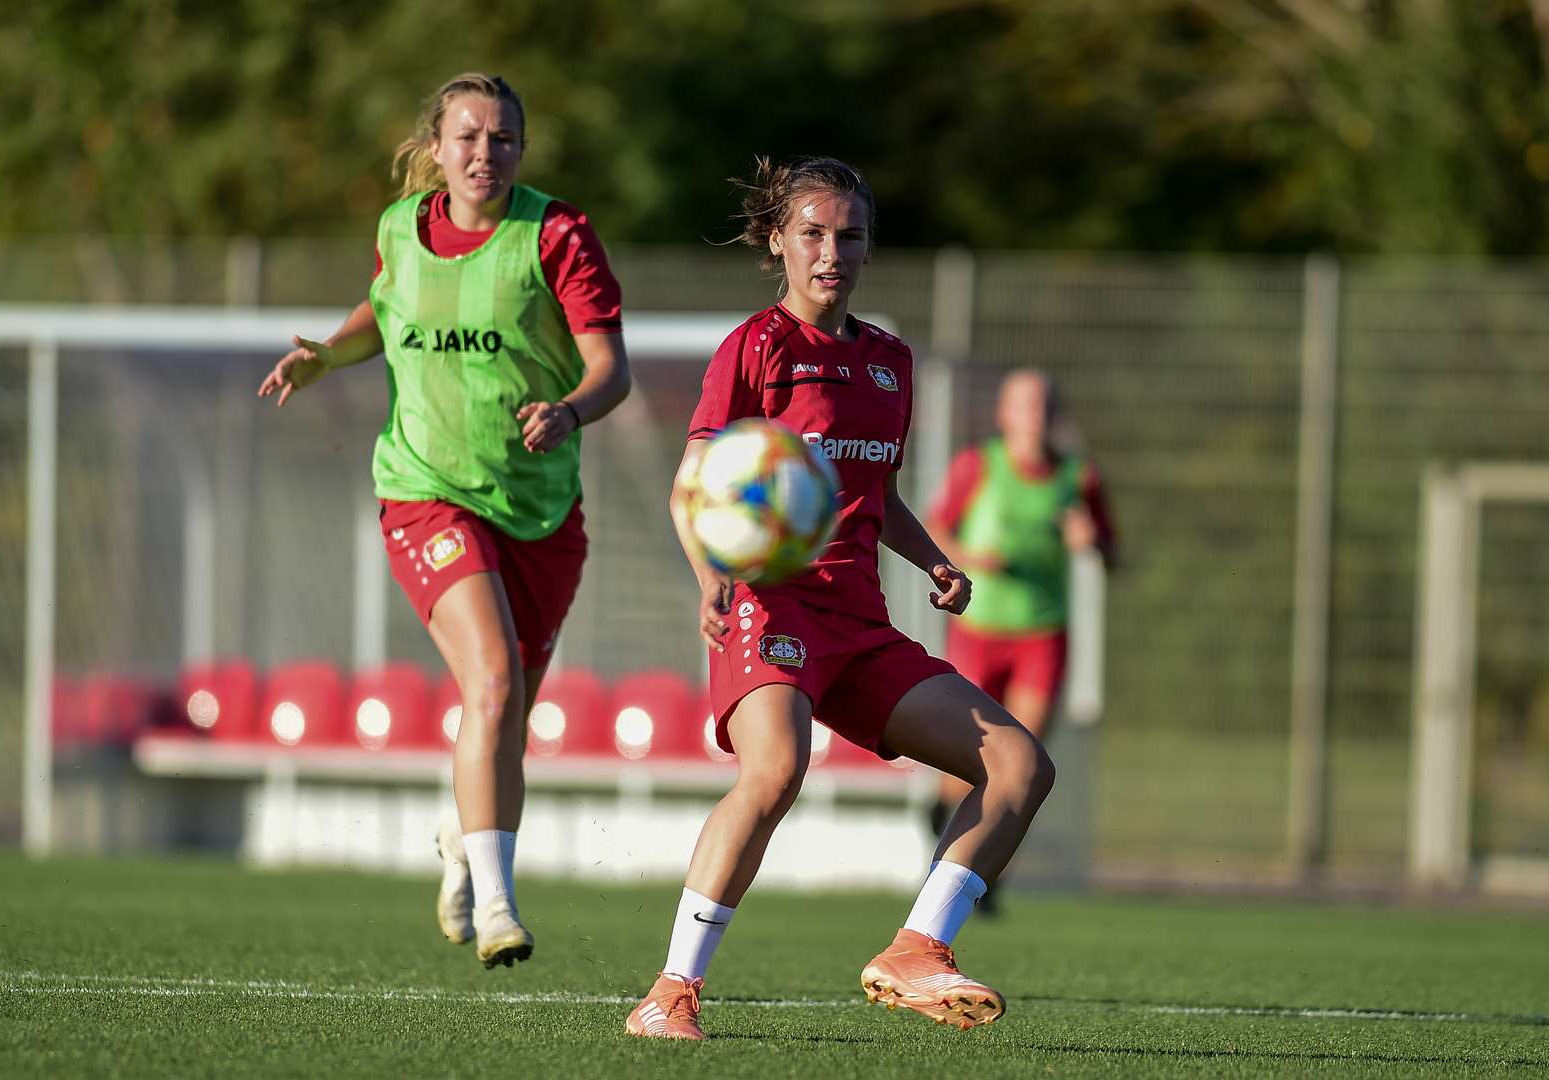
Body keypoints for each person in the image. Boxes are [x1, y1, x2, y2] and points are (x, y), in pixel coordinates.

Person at [624, 158, 1054, 1041]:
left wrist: (934, 561)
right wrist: (712, 577)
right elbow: (694, 483)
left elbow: (876, 495)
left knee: (1020, 765)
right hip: (771, 607)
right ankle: (670, 994)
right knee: (776, 768)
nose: (833, 252)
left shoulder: (890, 363)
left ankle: (917, 949)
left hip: (859, 624)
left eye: (849, 234)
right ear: (778, 241)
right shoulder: (757, 348)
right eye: (814, 233)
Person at [257, 73, 630, 969]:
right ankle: (499, 907)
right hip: (424, 488)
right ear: (435, 147)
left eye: (503, 140)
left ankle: (464, 843)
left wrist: (571, 410)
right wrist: (325, 357)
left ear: (520, 152)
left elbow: (609, 367)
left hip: (539, 510)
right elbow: (382, 313)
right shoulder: (399, 230)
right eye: (467, 137)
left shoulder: (556, 235)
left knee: (504, 715)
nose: (484, 155)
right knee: (494, 681)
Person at [925, 370, 1115, 911]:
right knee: (965, 764)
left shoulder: (1078, 477)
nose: (1035, 414)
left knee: (1024, 760)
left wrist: (1092, 541)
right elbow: (934, 527)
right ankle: (940, 840)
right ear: (1003, 414)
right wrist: (968, 556)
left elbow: (1112, 551)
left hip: (1041, 634)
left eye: (1044, 404)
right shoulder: (978, 465)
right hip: (979, 630)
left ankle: (983, 880)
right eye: (1024, 404)